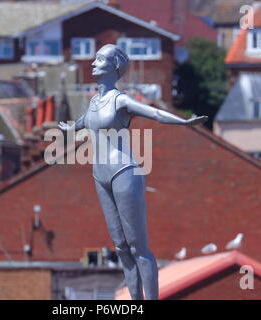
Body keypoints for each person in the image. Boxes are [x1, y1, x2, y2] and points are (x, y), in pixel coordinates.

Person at [59, 44, 207, 300]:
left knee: (139, 247)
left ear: (114, 66)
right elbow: (81, 123)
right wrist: (67, 128)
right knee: (121, 248)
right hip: (100, 175)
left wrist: (183, 121)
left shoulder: (121, 100)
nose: (93, 63)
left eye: (100, 59)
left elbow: (156, 114)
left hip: (124, 172)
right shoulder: (94, 101)